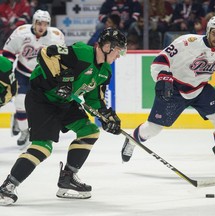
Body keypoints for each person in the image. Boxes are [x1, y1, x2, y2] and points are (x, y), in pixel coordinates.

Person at [0, 27, 127, 205]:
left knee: (89, 131)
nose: (119, 55)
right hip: (42, 99)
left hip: (64, 103)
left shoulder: (105, 72)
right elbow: (47, 52)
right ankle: (7, 187)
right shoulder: (82, 52)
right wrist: (60, 80)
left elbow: (94, 100)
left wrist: (107, 117)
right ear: (107, 46)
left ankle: (68, 178)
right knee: (43, 147)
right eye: (118, 50)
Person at [121, 16, 215, 174]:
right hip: (174, 88)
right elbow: (161, 59)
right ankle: (132, 139)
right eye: (214, 33)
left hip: (200, 88)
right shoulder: (188, 42)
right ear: (208, 32)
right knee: (153, 129)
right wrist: (163, 77)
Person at [2, 9, 65, 148]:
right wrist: (5, 73)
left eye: (45, 23)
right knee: (20, 101)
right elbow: (8, 53)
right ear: (33, 23)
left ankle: (19, 120)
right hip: (22, 73)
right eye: (39, 23)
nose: (41, 26)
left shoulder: (56, 36)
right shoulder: (21, 32)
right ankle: (25, 131)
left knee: (37, 107)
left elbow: (61, 59)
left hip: (42, 76)